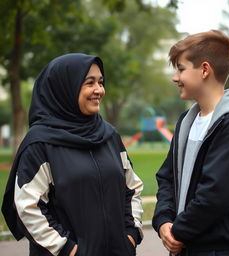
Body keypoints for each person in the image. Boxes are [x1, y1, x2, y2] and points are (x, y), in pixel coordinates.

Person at [2, 53, 143, 256]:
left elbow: (132, 188)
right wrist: (69, 250)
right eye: (89, 83)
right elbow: (28, 207)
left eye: (101, 82)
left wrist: (131, 233)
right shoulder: (41, 143)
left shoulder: (109, 135)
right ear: (64, 88)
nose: (99, 90)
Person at [152, 30, 229, 256]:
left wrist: (178, 232)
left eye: (181, 68)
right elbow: (167, 177)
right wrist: (163, 221)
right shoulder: (185, 122)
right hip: (184, 246)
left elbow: (216, 194)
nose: (175, 77)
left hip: (218, 250)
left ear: (205, 70)